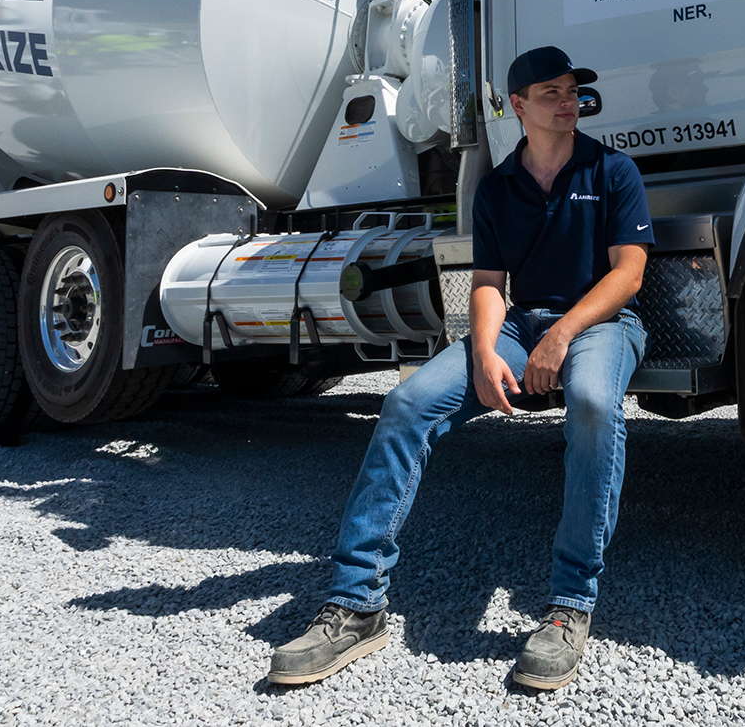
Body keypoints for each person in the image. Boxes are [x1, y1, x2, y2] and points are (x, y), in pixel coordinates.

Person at [268, 45, 654, 691]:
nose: (569, 100)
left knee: (591, 402)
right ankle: (356, 603)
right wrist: (481, 352)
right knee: (407, 403)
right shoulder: (499, 188)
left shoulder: (612, 170)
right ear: (519, 105)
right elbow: (487, 283)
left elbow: (630, 271)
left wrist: (561, 332)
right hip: (515, 324)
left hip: (601, 324)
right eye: (552, 91)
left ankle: (569, 605)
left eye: (573, 89)